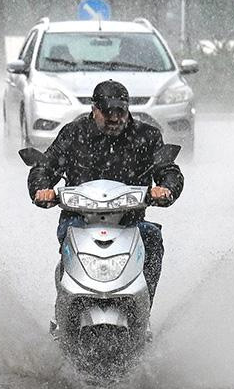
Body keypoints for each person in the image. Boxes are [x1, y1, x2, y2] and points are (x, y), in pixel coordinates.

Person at [27, 79, 183, 302]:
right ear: (94, 109)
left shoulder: (146, 136)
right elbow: (45, 167)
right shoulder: (73, 134)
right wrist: (42, 189)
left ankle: (143, 305)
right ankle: (65, 303)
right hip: (78, 219)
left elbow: (168, 170)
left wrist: (166, 188)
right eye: (108, 112)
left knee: (152, 238)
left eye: (121, 112)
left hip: (130, 222)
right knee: (69, 234)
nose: (115, 119)